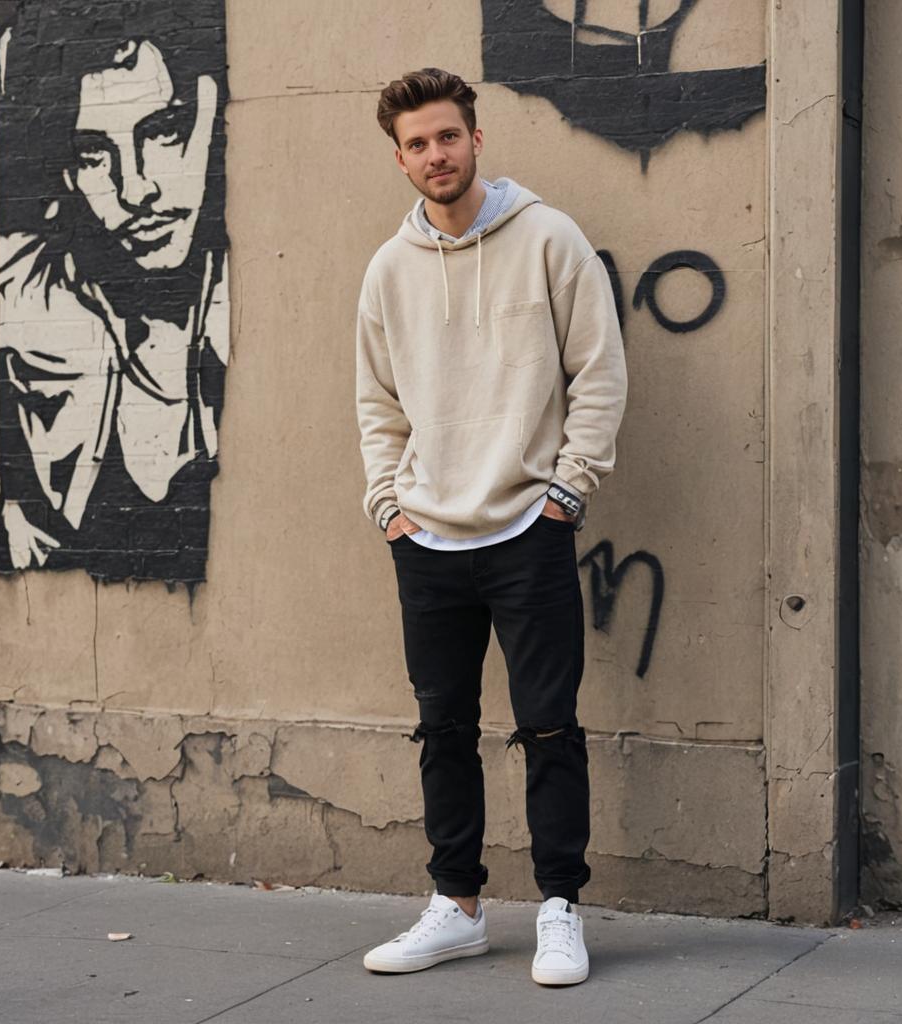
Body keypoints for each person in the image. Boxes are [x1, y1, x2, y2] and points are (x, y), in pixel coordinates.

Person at [355, 68, 627, 986]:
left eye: (447, 137)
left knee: (549, 725)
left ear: (477, 140)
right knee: (443, 729)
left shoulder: (549, 238)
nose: (435, 155)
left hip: (527, 527)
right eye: (417, 144)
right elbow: (377, 402)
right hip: (427, 536)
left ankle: (559, 908)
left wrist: (568, 493)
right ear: (399, 158)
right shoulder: (389, 269)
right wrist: (388, 505)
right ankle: (457, 906)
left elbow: (600, 374)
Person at [0, 0, 229, 584]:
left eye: (164, 130)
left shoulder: (251, 306)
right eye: (95, 153)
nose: (135, 188)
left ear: (213, 109)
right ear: (68, 173)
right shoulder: (31, 310)